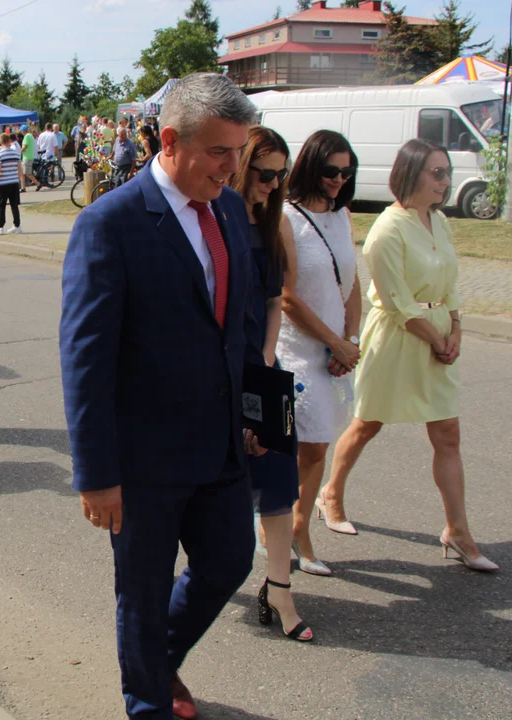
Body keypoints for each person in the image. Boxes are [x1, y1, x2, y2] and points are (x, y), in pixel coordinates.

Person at [59, 73, 264, 720]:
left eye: (240, 152)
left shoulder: (230, 209)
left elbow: (243, 326)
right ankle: (146, 701)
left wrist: (258, 413)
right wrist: (96, 475)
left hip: (224, 444)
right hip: (143, 461)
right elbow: (84, 358)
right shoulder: (109, 225)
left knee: (229, 562)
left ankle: (156, 659)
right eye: (219, 153)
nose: (233, 169)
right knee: (142, 594)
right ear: (170, 141)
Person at [324, 139, 498, 572]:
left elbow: (452, 283)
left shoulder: (440, 222)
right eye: (436, 173)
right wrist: (436, 339)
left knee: (448, 434)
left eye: (446, 173)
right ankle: (331, 493)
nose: (444, 181)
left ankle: (457, 531)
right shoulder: (387, 229)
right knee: (367, 424)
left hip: (437, 333)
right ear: (411, 173)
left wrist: (456, 327)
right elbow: (397, 302)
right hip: (398, 339)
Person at [229, 126, 312, 642]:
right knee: (219, 474)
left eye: (281, 175)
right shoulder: (215, 218)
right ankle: (207, 568)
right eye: (265, 173)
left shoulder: (271, 223)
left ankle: (280, 588)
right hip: (215, 368)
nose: (272, 183)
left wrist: (265, 356)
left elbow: (275, 300)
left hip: (260, 363)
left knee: (277, 468)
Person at [276, 129, 362, 577]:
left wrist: (352, 341)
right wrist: (334, 341)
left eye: (347, 173)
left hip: (336, 352)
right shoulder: (286, 217)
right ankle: (286, 526)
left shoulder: (342, 216)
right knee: (302, 445)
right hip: (299, 350)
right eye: (331, 171)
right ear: (311, 165)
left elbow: (352, 285)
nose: (339, 180)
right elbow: (287, 298)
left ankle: (296, 524)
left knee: (317, 446)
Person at [0, 132, 23, 236]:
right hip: (14, 182)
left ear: (1, 142)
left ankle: (1, 227)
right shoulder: (16, 153)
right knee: (14, 205)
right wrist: (20, 181)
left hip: (3, 183)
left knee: (1, 206)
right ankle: (17, 225)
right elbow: (19, 168)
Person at [20, 125, 38, 191]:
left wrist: (19, 151)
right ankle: (23, 187)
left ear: (23, 131)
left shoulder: (27, 136)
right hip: (29, 156)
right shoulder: (30, 136)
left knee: (27, 173)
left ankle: (38, 184)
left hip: (27, 157)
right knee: (22, 172)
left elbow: (25, 146)